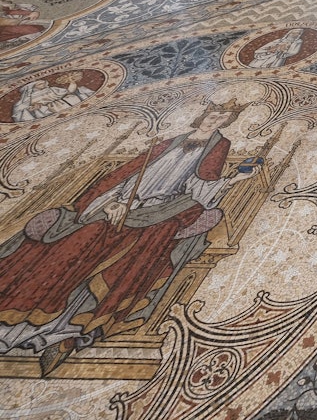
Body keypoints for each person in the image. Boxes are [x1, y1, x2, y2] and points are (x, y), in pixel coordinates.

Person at [0, 100, 256, 375]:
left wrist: (231, 181)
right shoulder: (168, 142)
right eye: (213, 115)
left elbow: (201, 185)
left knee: (145, 249)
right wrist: (112, 202)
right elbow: (123, 176)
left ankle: (71, 331)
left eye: (221, 119)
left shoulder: (218, 146)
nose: (213, 121)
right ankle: (23, 320)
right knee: (81, 240)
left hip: (163, 211)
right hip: (120, 203)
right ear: (204, 115)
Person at [12, 73, 94, 122]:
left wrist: (72, 83)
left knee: (76, 95)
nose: (43, 85)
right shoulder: (29, 97)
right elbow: (23, 108)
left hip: (62, 102)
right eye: (40, 84)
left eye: (44, 83)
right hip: (47, 108)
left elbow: (68, 92)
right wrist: (34, 107)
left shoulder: (51, 89)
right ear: (33, 86)